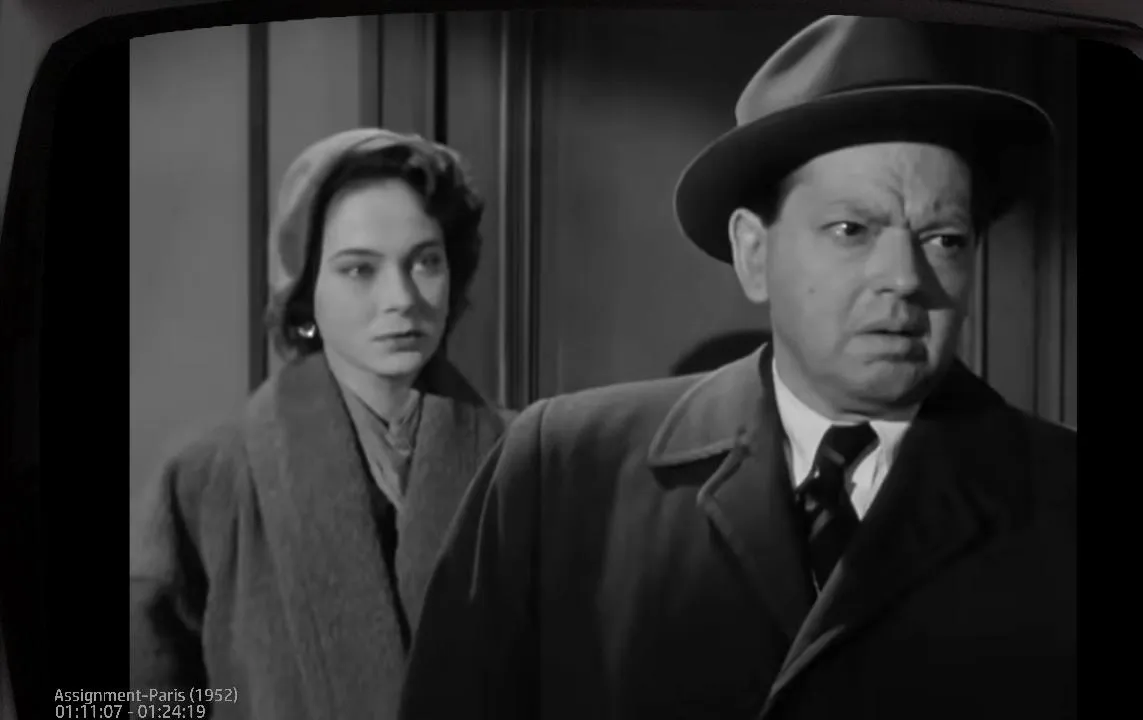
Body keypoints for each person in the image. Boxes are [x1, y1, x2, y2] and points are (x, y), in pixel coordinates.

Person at [399, 16, 1075, 720]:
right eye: (852, 230)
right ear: (754, 252)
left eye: (944, 239)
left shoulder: (1065, 501)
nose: (905, 277)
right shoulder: (558, 474)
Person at [130, 128, 513, 720]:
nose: (401, 297)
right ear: (306, 289)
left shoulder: (525, 458)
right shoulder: (208, 477)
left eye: (425, 262)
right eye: (359, 270)